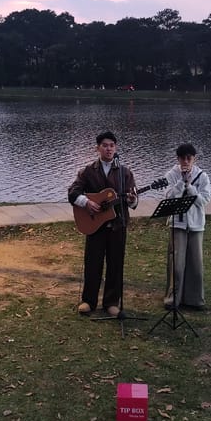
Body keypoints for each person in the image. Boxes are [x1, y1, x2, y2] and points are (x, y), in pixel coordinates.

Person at [68, 131, 138, 317]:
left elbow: (134, 201)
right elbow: (73, 193)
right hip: (95, 226)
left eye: (112, 145)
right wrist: (87, 202)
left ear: (116, 148)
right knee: (93, 263)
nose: (108, 149)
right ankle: (88, 301)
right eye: (105, 145)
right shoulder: (88, 171)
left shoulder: (125, 172)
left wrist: (131, 200)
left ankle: (111, 303)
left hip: (118, 225)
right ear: (97, 148)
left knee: (116, 264)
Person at [164, 143, 211, 310]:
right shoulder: (171, 174)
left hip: (196, 225)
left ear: (194, 159)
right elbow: (169, 197)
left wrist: (190, 188)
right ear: (178, 159)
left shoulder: (202, 176)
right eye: (182, 158)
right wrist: (180, 183)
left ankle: (194, 299)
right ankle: (173, 299)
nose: (185, 161)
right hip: (177, 224)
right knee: (176, 263)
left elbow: (204, 200)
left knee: (195, 263)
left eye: (189, 158)